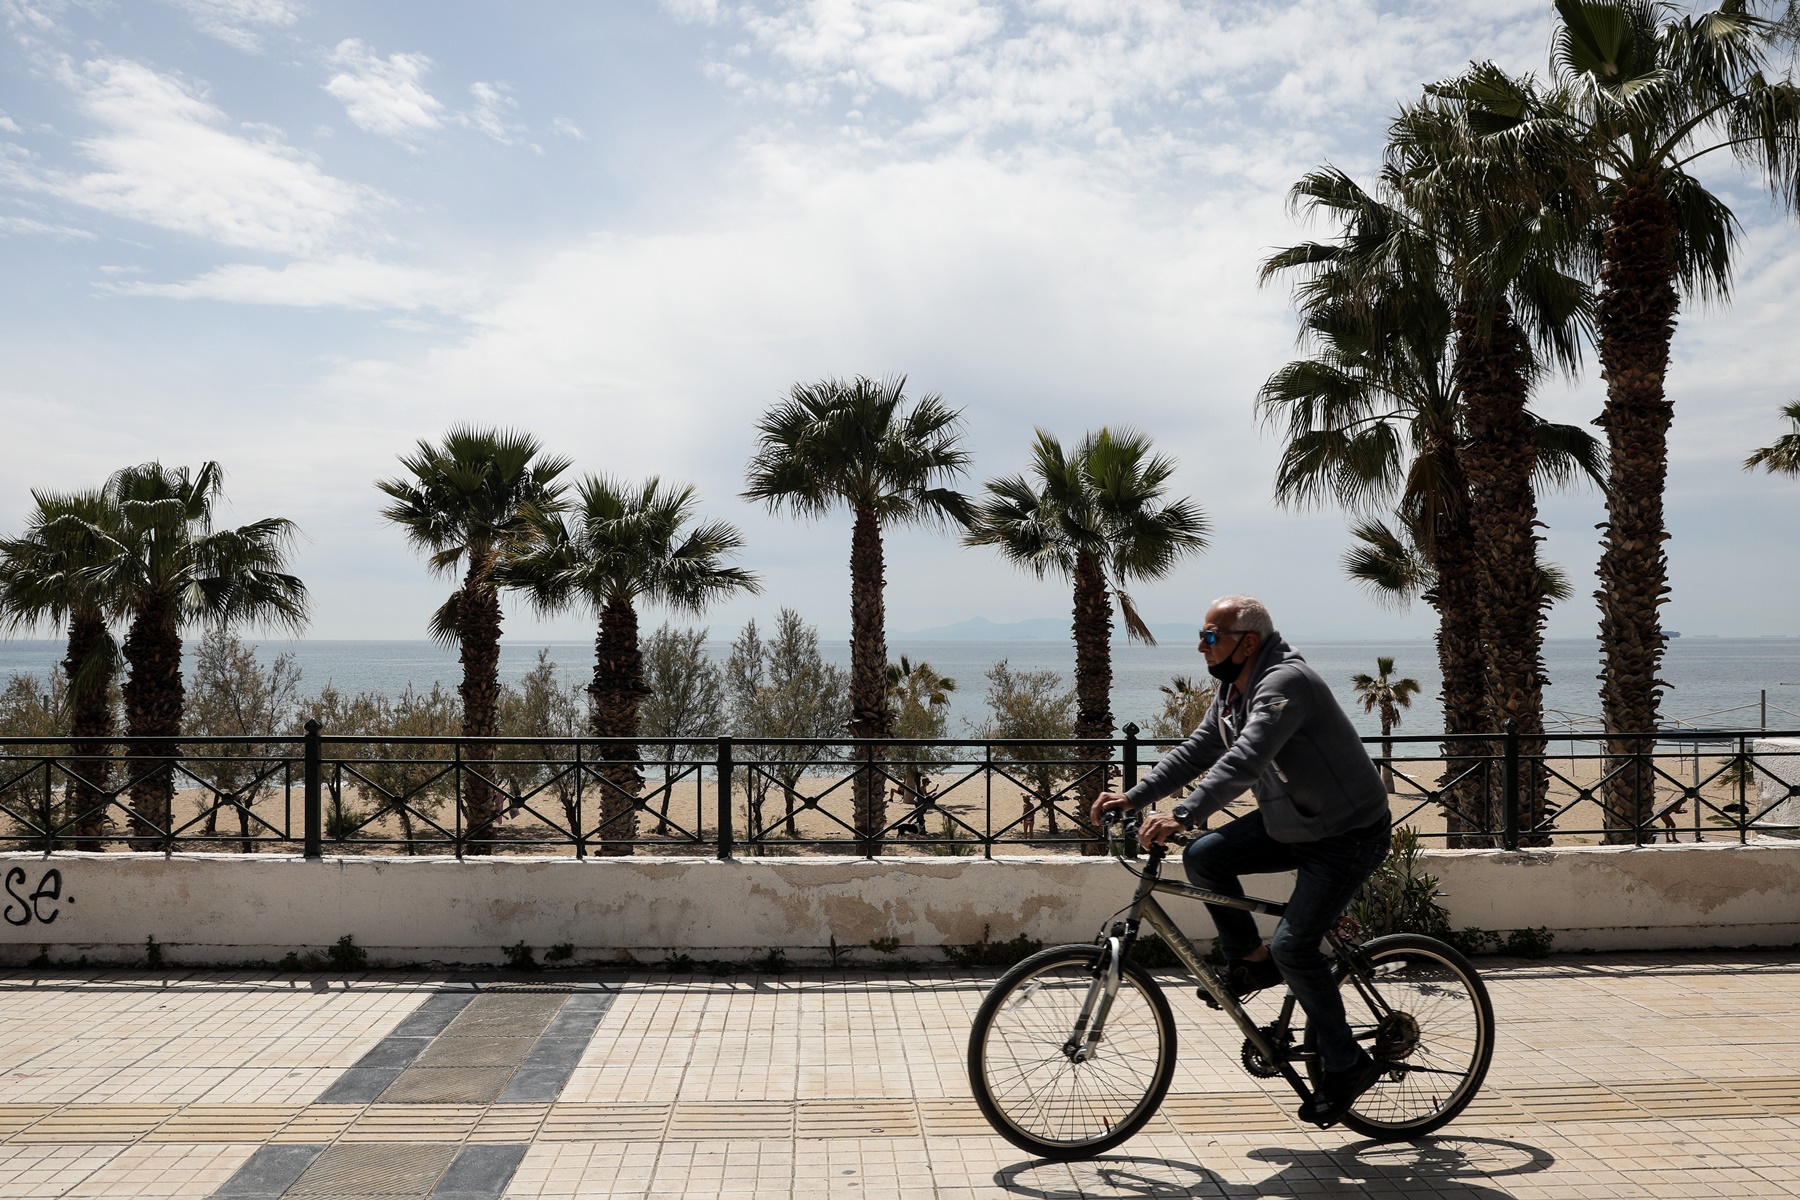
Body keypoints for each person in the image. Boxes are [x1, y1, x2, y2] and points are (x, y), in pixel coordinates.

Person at [1090, 594, 1392, 1128]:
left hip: (1347, 834)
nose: (1201, 646)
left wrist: (1182, 813)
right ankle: (1252, 961)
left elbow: (1247, 758)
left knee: (1296, 947)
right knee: (1205, 857)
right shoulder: (1233, 691)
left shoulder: (1284, 684)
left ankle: (1347, 1064)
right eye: (1201, 637)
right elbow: (1200, 748)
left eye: (1210, 636)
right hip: (1293, 823)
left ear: (1246, 642)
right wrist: (1134, 797)